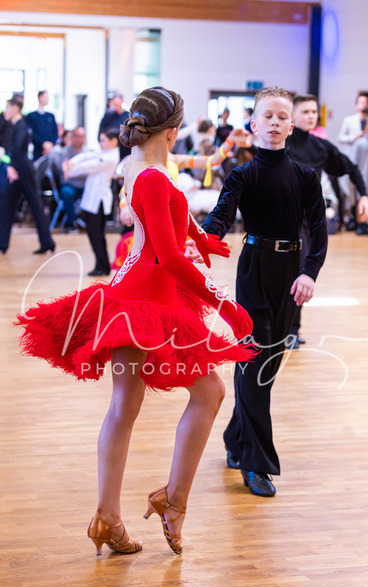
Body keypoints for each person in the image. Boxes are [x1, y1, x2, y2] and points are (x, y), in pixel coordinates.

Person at [16, 86, 253, 557]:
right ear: (173, 131)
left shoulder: (136, 164)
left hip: (133, 294)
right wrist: (223, 302)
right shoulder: (155, 177)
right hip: (147, 299)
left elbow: (164, 215)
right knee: (208, 392)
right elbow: (168, 255)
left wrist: (199, 237)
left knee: (125, 405)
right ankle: (172, 500)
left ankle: (109, 517)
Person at [202, 87, 328, 498]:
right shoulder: (243, 174)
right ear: (254, 124)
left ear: (291, 126)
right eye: (267, 116)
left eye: (282, 117)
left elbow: (319, 230)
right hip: (254, 269)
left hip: (291, 274)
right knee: (254, 361)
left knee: (267, 366)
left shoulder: (305, 176)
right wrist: (199, 241)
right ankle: (256, 463)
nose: (274, 123)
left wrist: (309, 272)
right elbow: (221, 217)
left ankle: (235, 437)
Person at [285, 94, 368, 342]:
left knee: (301, 272)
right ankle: (274, 329)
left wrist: (364, 195)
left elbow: (351, 168)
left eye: (314, 112)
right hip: (279, 217)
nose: (311, 116)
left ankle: (292, 331)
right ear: (293, 115)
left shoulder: (320, 147)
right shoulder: (280, 143)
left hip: (306, 220)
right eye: (306, 112)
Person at [0, 97, 55, 254]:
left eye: (8, 108)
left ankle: (47, 243)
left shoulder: (22, 126)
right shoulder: (13, 125)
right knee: (6, 205)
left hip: (23, 171)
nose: (5, 111)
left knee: (36, 206)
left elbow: (17, 150)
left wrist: (10, 166)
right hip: (16, 170)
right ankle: (2, 243)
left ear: (16, 108)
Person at [63, 128, 120, 276]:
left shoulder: (110, 157)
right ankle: (102, 265)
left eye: (103, 140)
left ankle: (103, 266)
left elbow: (89, 165)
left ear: (114, 141)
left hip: (98, 201)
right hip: (92, 199)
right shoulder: (103, 153)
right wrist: (71, 163)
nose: (101, 143)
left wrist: (71, 169)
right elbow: (87, 156)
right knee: (94, 234)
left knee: (96, 235)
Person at [338, 94, 368, 230]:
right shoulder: (349, 120)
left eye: (366, 102)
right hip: (352, 157)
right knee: (349, 190)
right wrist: (354, 136)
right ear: (356, 104)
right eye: (361, 102)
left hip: (366, 159)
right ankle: (351, 217)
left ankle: (363, 219)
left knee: (364, 188)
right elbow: (341, 137)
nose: (363, 104)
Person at [26, 91, 58, 161]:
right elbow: (31, 133)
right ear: (40, 98)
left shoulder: (51, 116)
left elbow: (55, 132)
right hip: (38, 150)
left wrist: (50, 145)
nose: (48, 99)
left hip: (50, 149)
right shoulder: (31, 116)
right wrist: (43, 144)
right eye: (46, 97)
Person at [98, 93, 130, 160]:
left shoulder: (128, 116)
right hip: (110, 151)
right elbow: (101, 133)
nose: (114, 105)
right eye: (113, 103)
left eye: (116, 103)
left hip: (125, 151)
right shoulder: (108, 116)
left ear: (122, 101)